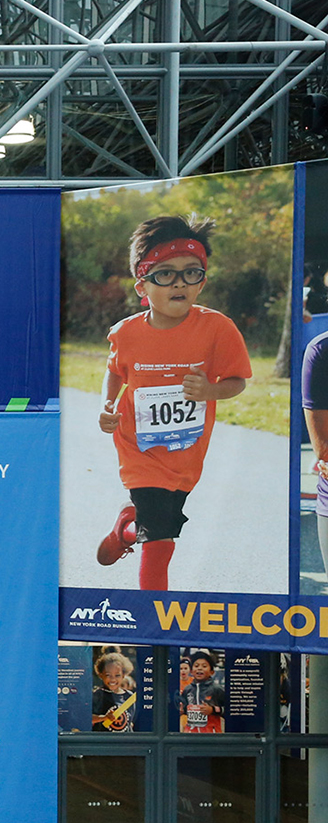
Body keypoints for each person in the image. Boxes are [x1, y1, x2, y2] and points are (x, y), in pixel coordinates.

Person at [95, 215, 251, 591]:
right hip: (139, 450)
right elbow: (116, 370)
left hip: (186, 453)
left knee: (158, 526)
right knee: (162, 542)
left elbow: (237, 382)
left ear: (202, 282)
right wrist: (108, 404)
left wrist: (209, 392)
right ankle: (154, 624)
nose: (179, 282)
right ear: (142, 285)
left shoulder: (218, 329)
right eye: (165, 274)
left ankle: (127, 531)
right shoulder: (127, 332)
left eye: (191, 273)